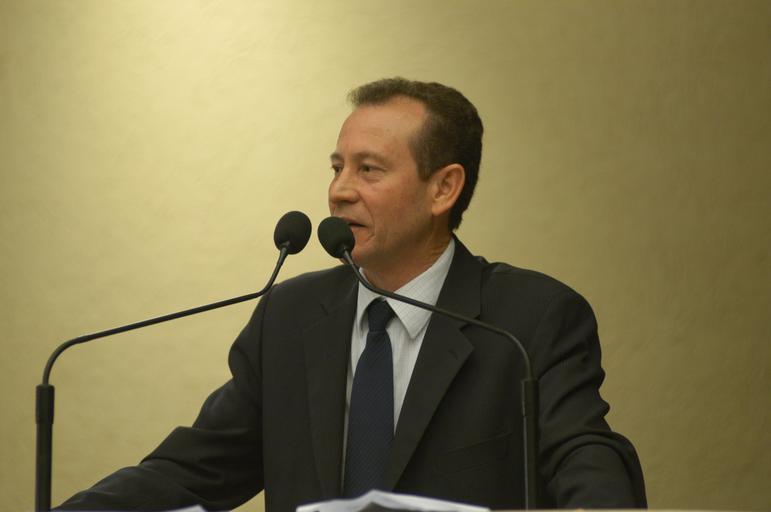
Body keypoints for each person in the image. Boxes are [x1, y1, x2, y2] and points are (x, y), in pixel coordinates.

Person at [58, 78, 646, 511]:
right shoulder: (290, 317)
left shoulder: (527, 321)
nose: (339, 191)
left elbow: (583, 452)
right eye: (337, 167)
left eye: (369, 170)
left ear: (444, 189)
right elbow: (192, 471)